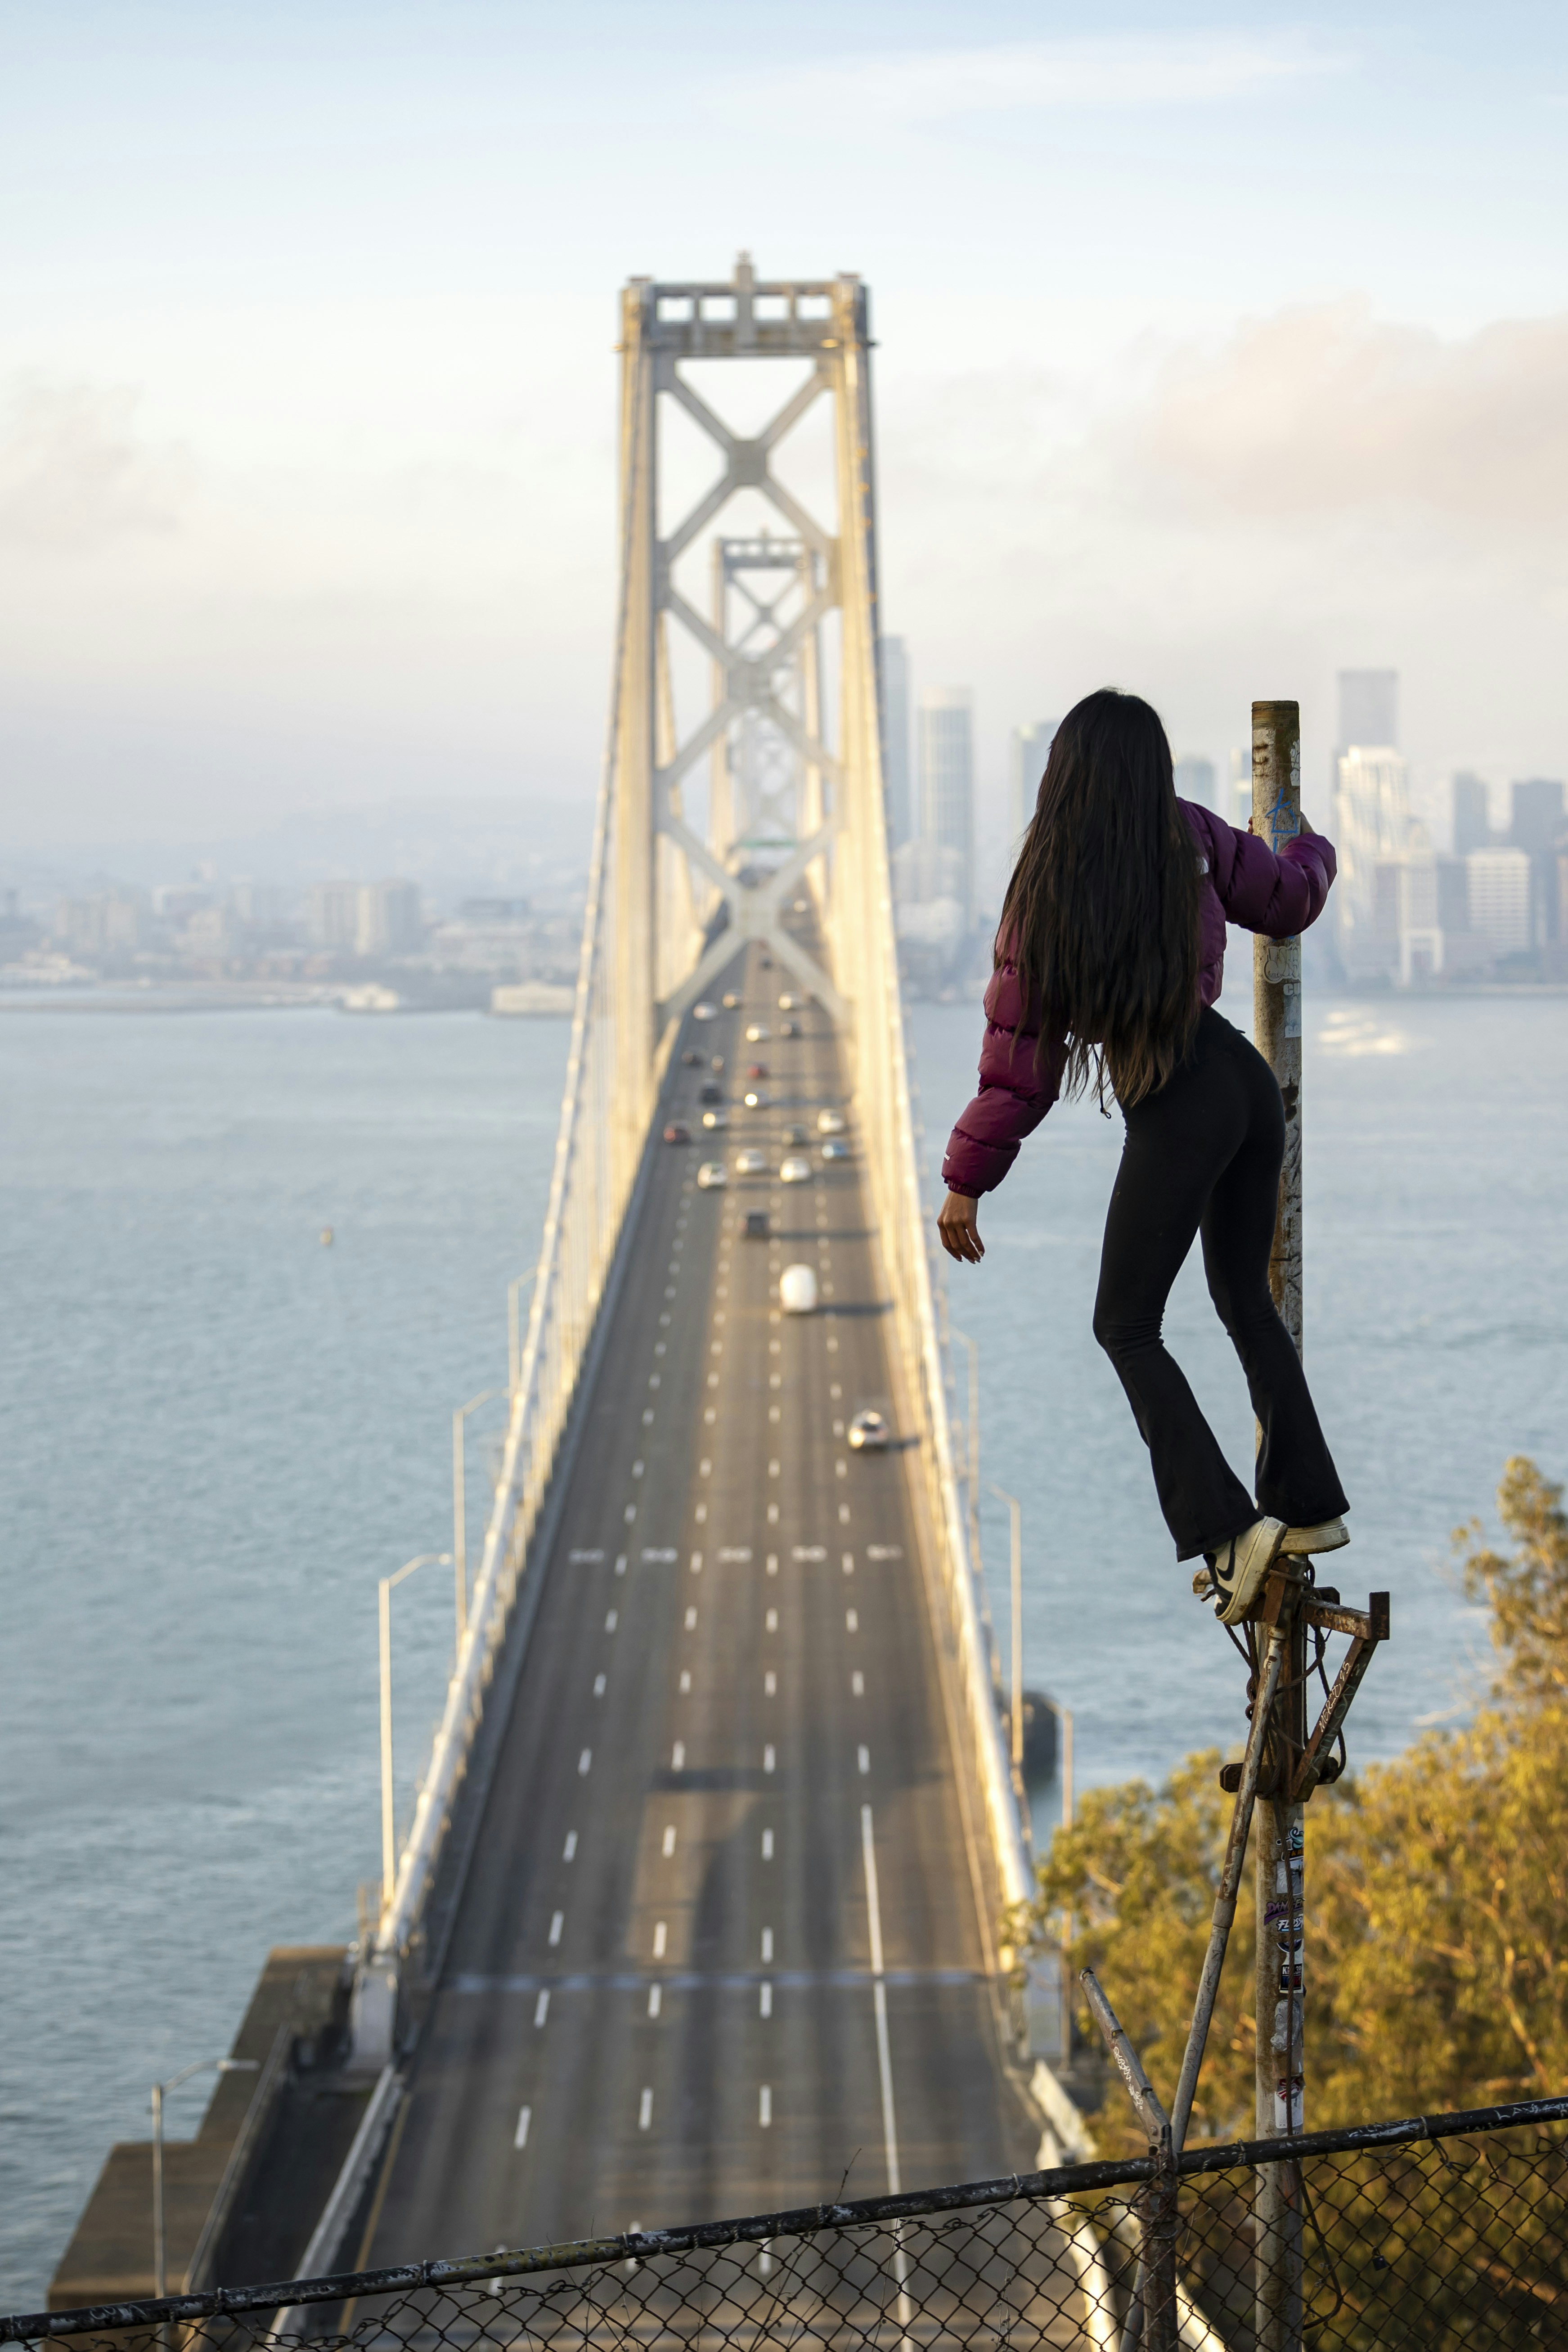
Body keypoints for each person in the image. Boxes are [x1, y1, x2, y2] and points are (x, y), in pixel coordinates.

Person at [937, 688, 1348, 1626]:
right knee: (1245, 1298)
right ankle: (1310, 1505)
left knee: (1125, 1325)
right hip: (1242, 1081)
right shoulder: (1193, 836)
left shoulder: (1045, 890)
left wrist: (966, 1181)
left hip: (1178, 1101)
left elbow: (1019, 1068)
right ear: (1155, 768)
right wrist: (1309, 843)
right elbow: (1288, 899)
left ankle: (1227, 1528)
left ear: (1062, 775)